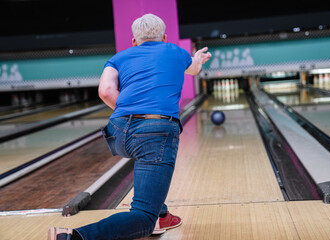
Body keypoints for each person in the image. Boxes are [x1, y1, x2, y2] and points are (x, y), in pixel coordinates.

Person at [48, 13, 211, 240]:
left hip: (118, 133)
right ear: (164, 37)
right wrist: (198, 59)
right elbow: (193, 69)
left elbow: (105, 91)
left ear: (134, 41)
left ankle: (161, 213)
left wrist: (130, 111)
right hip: (156, 132)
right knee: (143, 219)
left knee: (147, 162)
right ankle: (74, 237)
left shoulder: (119, 57)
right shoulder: (175, 51)